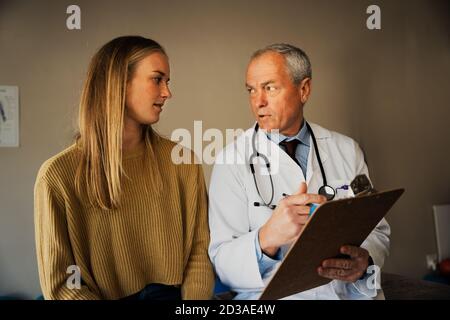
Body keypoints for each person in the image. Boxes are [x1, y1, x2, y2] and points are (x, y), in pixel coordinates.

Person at [34, 36, 214, 300]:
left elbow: (199, 254)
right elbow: (62, 286)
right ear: (118, 83)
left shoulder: (183, 161)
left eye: (168, 82)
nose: (167, 93)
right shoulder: (56, 177)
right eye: (157, 79)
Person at [208, 43, 390, 300]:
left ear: (303, 90)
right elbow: (222, 262)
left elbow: (377, 230)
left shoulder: (347, 150)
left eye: (269, 88)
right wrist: (267, 238)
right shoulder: (231, 160)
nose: (258, 102)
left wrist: (365, 259)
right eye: (251, 90)